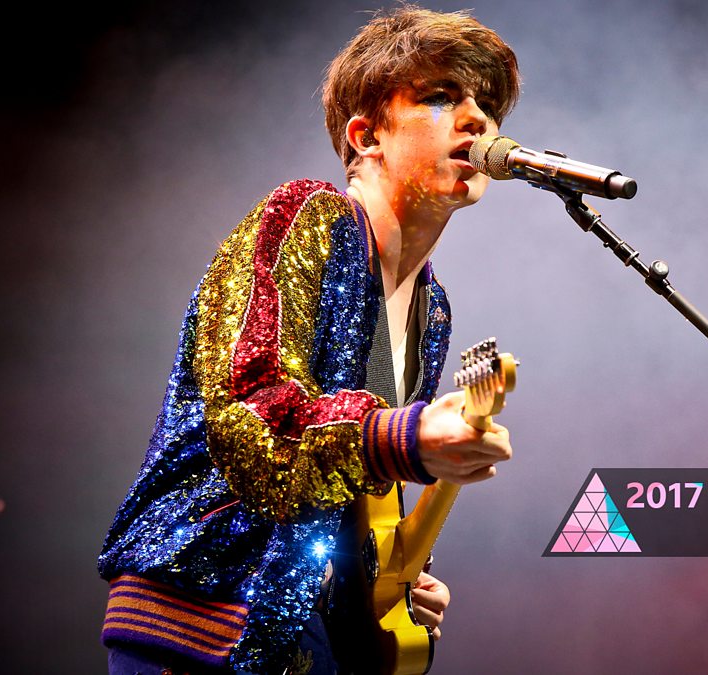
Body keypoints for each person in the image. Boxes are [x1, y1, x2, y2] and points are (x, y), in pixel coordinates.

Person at [97, 6, 519, 673]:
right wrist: (403, 437)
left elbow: (347, 493)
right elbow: (252, 413)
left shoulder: (432, 309)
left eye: (487, 106)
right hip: (205, 617)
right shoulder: (305, 217)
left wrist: (391, 579)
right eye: (441, 97)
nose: (477, 120)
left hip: (306, 638)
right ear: (366, 135)